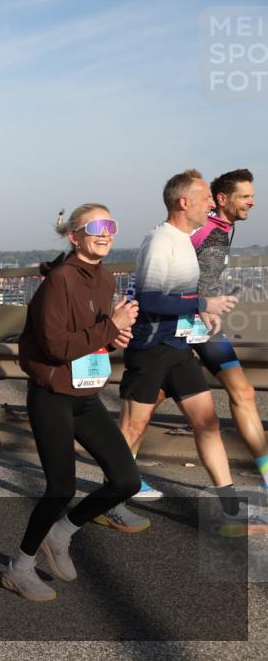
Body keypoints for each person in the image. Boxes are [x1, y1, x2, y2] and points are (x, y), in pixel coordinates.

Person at [95, 170, 266, 536]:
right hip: (152, 347)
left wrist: (201, 311)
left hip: (179, 346)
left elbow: (176, 292)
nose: (210, 204)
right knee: (133, 426)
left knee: (207, 425)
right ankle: (108, 501)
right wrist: (205, 302)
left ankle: (231, 512)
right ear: (184, 202)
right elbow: (150, 296)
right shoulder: (163, 241)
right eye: (205, 198)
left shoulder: (191, 237)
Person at [1, 204, 142, 602]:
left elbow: (92, 336)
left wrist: (112, 338)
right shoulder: (60, 280)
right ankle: (19, 566)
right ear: (74, 236)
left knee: (126, 480)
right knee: (60, 488)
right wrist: (111, 327)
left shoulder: (106, 278)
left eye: (111, 225)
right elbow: (56, 345)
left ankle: (62, 532)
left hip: (86, 392)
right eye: (96, 226)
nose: (106, 232)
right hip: (52, 394)